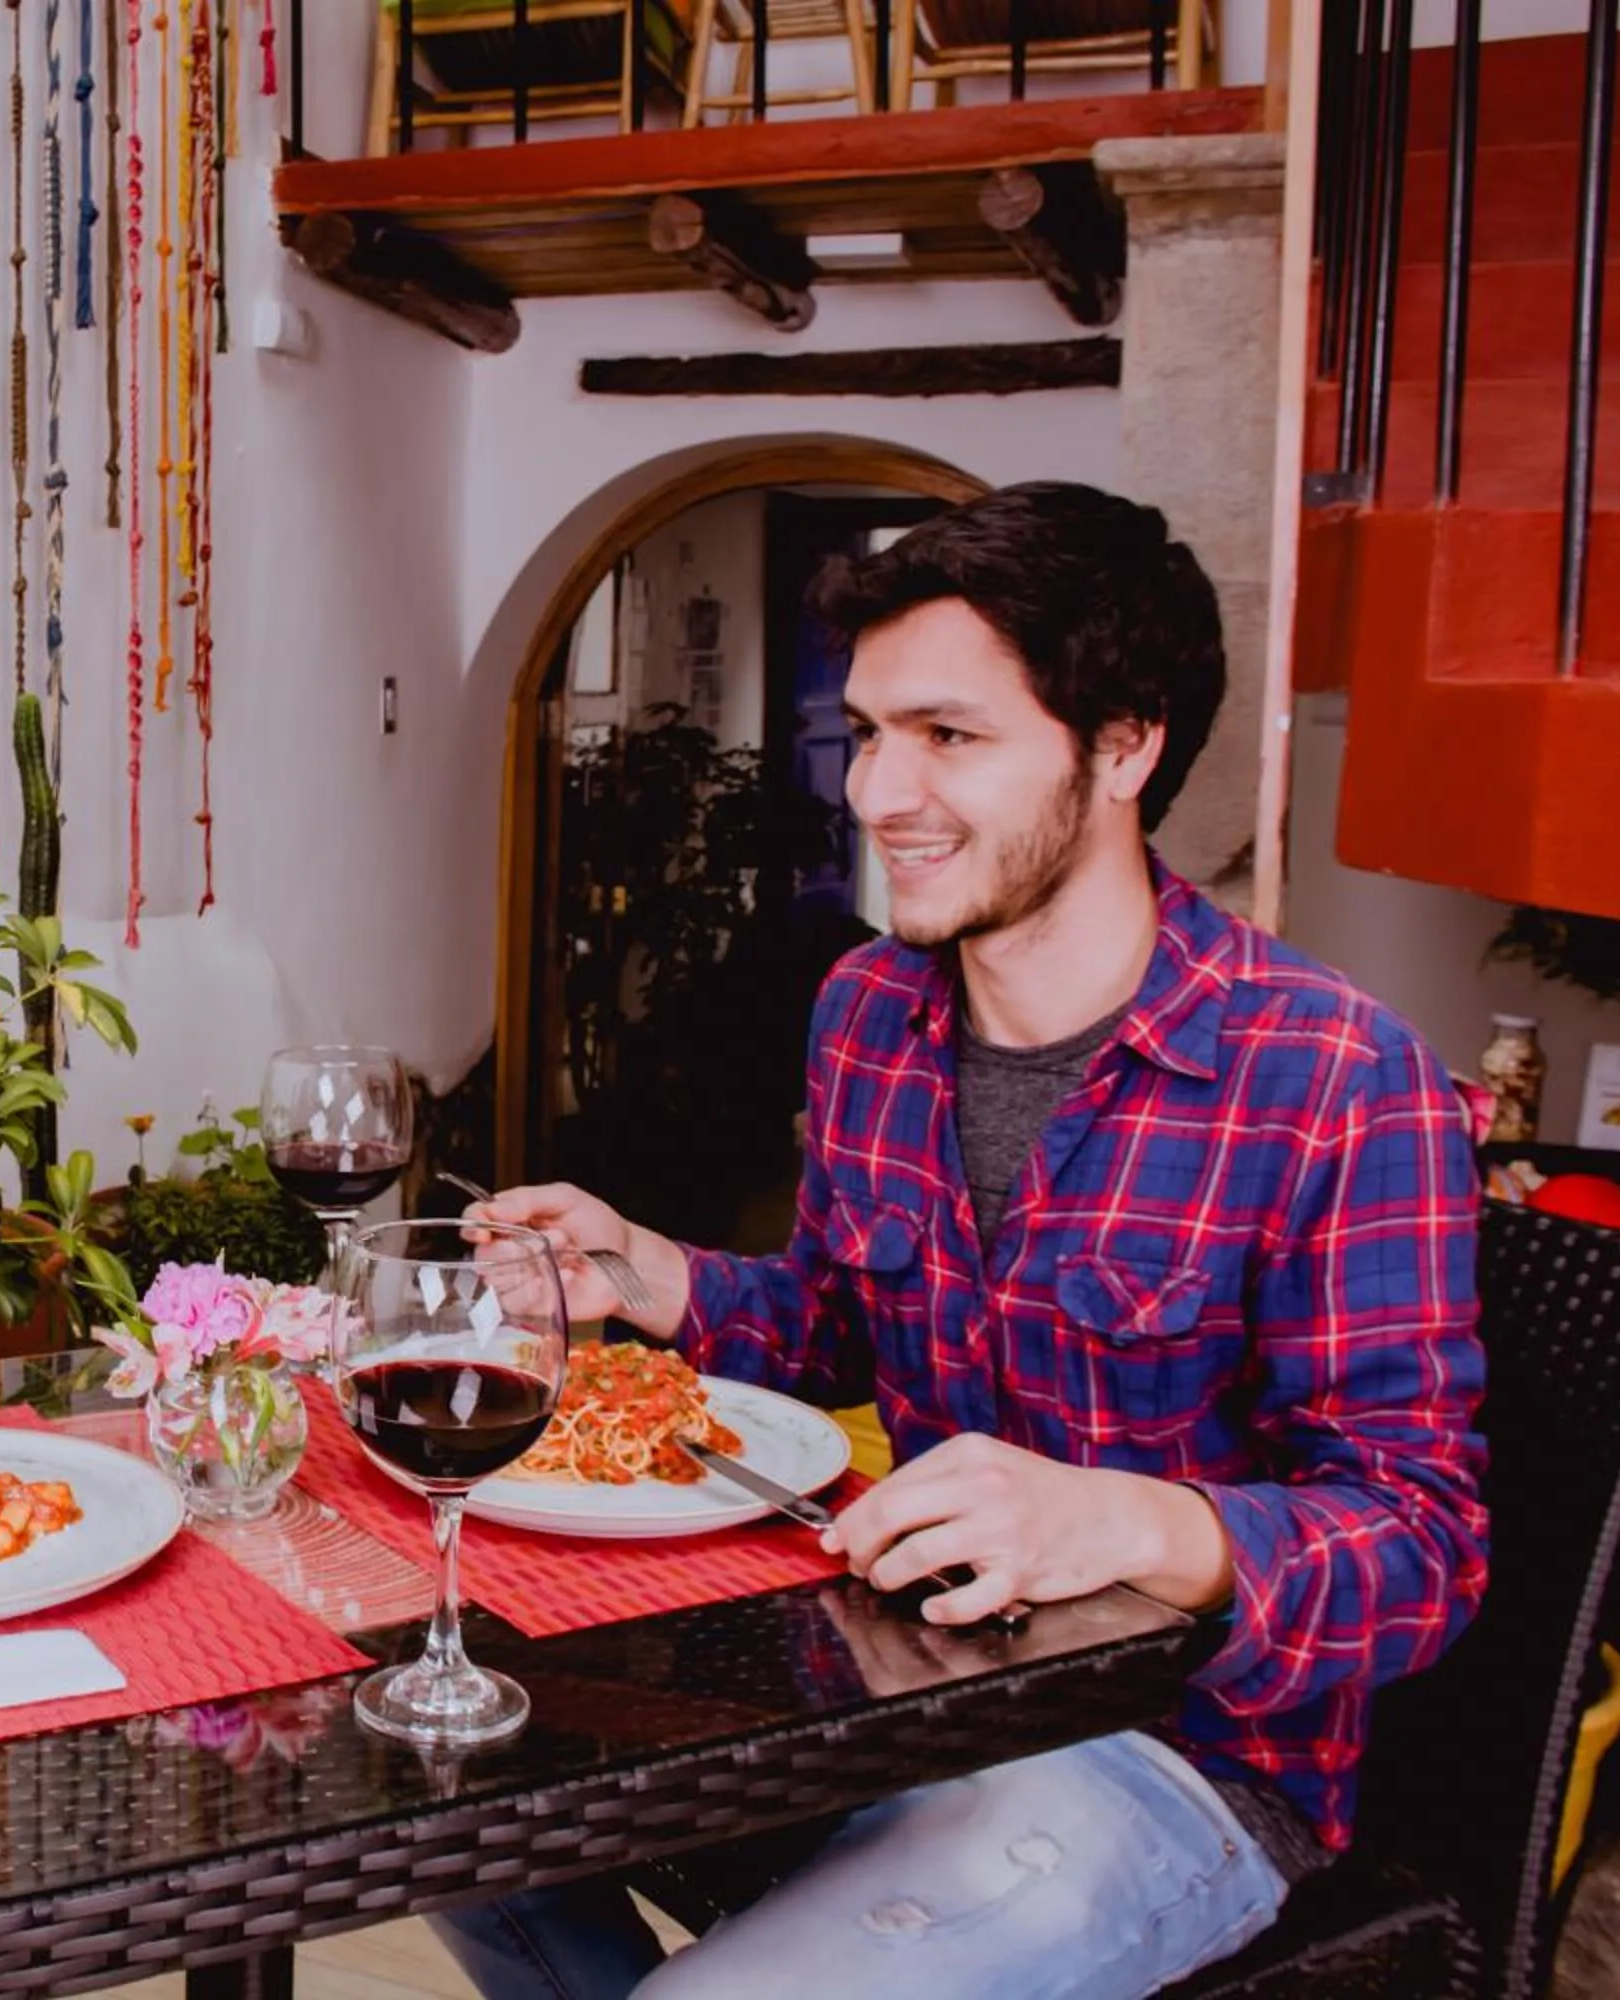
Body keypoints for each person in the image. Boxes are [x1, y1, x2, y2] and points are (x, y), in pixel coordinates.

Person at [448, 484, 1489, 2000]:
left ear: (1122, 746)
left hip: (1173, 1766)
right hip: (879, 1695)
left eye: (950, 736)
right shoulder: (870, 1010)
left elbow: (1425, 1548)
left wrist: (1121, 1524)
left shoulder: (1332, 1073)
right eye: (872, 731)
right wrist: (646, 1273)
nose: (877, 790)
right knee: (456, 1780)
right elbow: (827, 1328)